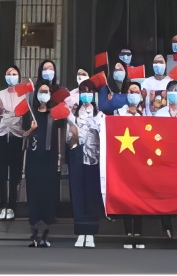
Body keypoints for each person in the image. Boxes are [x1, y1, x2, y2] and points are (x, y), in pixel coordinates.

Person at [22, 79, 74, 247]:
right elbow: (22, 136)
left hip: (50, 161)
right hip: (33, 161)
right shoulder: (29, 114)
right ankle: (34, 229)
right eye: (41, 91)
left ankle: (44, 231)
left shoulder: (54, 114)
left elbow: (64, 132)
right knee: (34, 195)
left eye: (46, 91)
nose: (43, 94)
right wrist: (30, 130)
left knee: (47, 195)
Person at [67, 79, 104, 249]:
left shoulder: (100, 116)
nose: (87, 95)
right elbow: (69, 142)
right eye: (83, 91)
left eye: (89, 91)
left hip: (94, 160)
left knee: (91, 196)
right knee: (78, 195)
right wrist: (74, 134)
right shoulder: (73, 116)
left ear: (94, 94)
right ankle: (80, 232)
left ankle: (91, 233)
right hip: (77, 159)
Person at [154, 80, 177, 242]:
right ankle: (167, 227)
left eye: (176, 90)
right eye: (170, 90)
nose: (173, 93)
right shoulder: (159, 114)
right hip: (164, 157)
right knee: (165, 193)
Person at [111, 80, 147, 248]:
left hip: (140, 164)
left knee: (139, 199)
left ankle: (138, 234)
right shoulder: (118, 113)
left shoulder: (144, 115)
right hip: (123, 162)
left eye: (136, 92)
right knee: (126, 198)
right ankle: (127, 234)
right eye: (131, 92)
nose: (134, 95)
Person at [0, 64, 28, 221]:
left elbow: (24, 117)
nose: (11, 76)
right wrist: (0, 110)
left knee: (15, 171)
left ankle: (12, 206)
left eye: (14, 74)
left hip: (17, 136)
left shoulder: (24, 96)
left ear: (18, 77)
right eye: (8, 73)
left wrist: (10, 113)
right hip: (1, 135)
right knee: (1, 171)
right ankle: (3, 205)